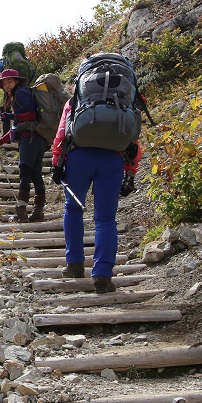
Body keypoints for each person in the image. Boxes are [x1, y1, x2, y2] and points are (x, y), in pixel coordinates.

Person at [51, 100, 142, 294]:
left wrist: (57, 162)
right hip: (112, 159)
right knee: (106, 219)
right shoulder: (126, 98)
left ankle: (74, 265)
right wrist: (130, 172)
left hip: (79, 156)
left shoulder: (77, 97)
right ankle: (103, 275)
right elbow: (134, 138)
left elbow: (62, 133)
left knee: (73, 208)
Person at [0, 69, 47, 223]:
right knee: (35, 174)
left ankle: (21, 211)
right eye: (4, 83)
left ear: (17, 81)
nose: (7, 85)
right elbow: (15, 128)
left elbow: (31, 115)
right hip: (36, 138)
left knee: (25, 171)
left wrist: (12, 116)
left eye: (9, 81)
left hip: (30, 137)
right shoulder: (18, 95)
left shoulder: (21, 93)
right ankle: (38, 212)